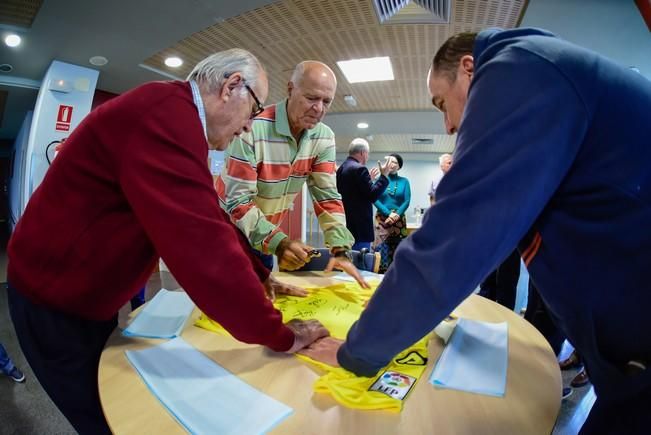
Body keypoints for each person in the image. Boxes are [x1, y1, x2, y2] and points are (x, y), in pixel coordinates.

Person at [301, 28, 651, 433]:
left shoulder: (517, 70)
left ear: (469, 69)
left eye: (441, 104)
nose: (448, 125)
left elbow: (454, 238)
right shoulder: (542, 68)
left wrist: (357, 350)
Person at [7, 49, 329, 435]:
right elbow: (203, 247)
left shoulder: (174, 114)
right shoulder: (162, 116)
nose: (248, 127)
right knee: (110, 420)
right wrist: (281, 334)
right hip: (54, 300)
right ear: (231, 88)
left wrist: (260, 274)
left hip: (86, 296)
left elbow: (207, 212)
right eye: (254, 109)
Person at [217, 60, 368, 287]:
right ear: (290, 89)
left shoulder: (323, 137)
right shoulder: (252, 127)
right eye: (311, 98)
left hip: (262, 238)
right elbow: (238, 202)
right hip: (224, 235)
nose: (319, 108)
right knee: (222, 307)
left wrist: (340, 249)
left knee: (262, 302)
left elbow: (327, 197)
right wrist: (280, 243)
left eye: (326, 101)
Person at [336, 138, 394, 251]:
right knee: (360, 263)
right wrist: (384, 176)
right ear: (363, 152)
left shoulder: (342, 168)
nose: (368, 157)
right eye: (368, 153)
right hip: (359, 228)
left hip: (346, 224)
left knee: (348, 262)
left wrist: (370, 180)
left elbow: (355, 191)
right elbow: (372, 195)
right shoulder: (360, 169)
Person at [373, 153, 411, 273]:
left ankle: (397, 275)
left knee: (399, 249)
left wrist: (396, 214)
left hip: (398, 220)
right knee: (381, 248)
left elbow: (407, 200)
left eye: (394, 162)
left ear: (399, 166)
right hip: (382, 219)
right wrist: (388, 213)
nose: (391, 164)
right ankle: (380, 275)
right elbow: (374, 198)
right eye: (389, 161)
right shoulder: (381, 179)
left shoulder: (404, 181)